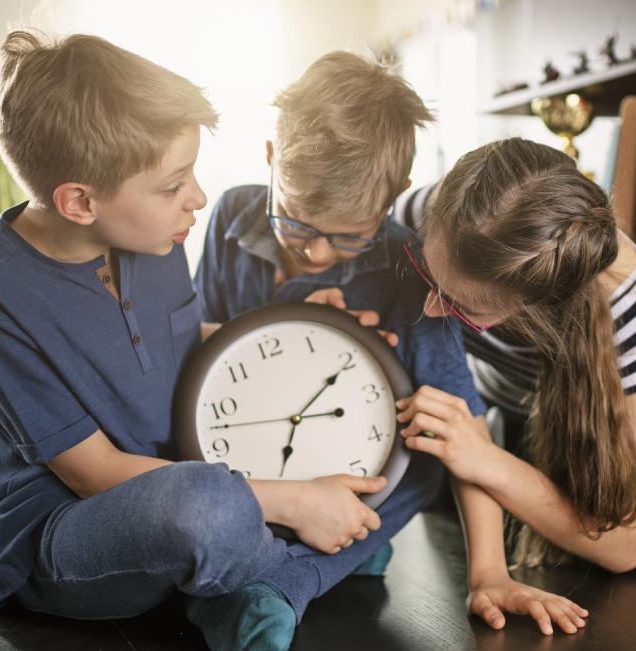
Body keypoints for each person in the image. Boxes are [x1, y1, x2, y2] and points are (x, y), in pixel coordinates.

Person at [0, 31, 391, 651]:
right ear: (79, 201)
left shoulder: (153, 236)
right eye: (173, 184)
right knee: (203, 507)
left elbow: (176, 350)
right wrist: (291, 500)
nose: (199, 198)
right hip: (73, 529)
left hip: (198, 471)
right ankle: (291, 564)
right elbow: (92, 473)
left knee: (242, 474)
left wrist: (287, 332)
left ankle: (266, 557)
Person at [192, 51, 497, 589]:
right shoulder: (228, 217)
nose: (315, 254)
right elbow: (195, 353)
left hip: (363, 468)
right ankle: (338, 553)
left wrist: (490, 574)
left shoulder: (413, 275)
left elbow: (461, 427)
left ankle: (305, 573)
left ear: (395, 195)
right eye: (295, 221)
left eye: (349, 236)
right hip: (247, 455)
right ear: (269, 158)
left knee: (417, 472)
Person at [392, 138, 636, 633]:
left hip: (563, 434)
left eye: (461, 308)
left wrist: (486, 458)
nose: (430, 310)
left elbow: (628, 544)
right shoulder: (431, 212)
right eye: (426, 274)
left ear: (539, 307)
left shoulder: (632, 316)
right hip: (474, 415)